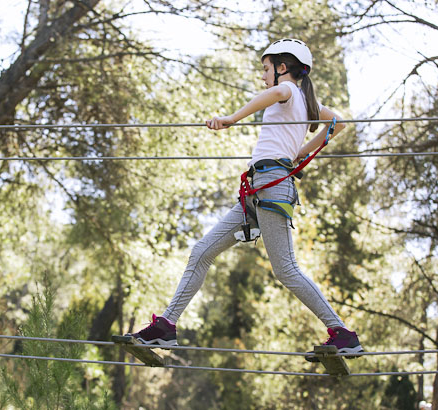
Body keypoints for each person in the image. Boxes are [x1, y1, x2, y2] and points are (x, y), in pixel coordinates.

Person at [128, 39, 364, 360]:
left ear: (283, 67)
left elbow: (277, 94)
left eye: (266, 69)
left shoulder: (289, 91)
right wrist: (298, 153)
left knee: (286, 270)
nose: (264, 76)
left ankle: (343, 334)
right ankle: (166, 326)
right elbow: (337, 121)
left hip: (271, 187)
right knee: (202, 252)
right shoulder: (305, 102)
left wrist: (230, 119)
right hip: (256, 190)